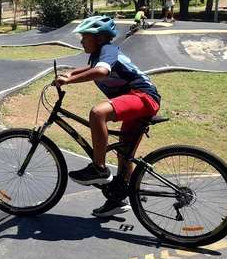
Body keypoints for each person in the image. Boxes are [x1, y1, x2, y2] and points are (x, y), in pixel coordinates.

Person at [54, 15, 161, 217]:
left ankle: (99, 168)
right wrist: (69, 74)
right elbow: (89, 68)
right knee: (124, 153)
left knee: (97, 113)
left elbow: (101, 71)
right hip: (136, 100)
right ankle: (117, 200)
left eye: (85, 36)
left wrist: (68, 82)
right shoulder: (98, 54)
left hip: (143, 97)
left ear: (99, 38)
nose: (81, 40)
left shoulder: (108, 50)